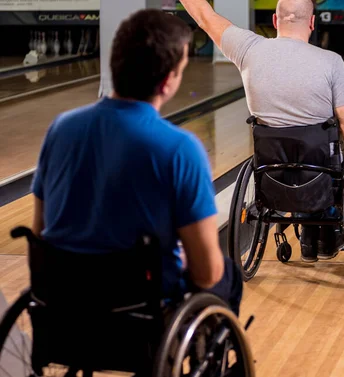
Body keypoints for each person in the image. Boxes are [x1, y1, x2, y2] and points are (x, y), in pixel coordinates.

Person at [30, 9, 243, 315]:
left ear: (114, 60)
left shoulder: (61, 128)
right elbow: (206, 274)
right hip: (139, 303)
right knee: (226, 275)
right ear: (168, 81)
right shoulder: (180, 149)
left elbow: (40, 231)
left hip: (64, 300)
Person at [179, 0, 344, 263]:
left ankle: (309, 234)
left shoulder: (248, 49)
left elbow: (204, 16)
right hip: (320, 176)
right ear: (312, 23)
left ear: (275, 22)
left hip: (271, 174)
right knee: (339, 155)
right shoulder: (331, 63)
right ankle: (323, 233)